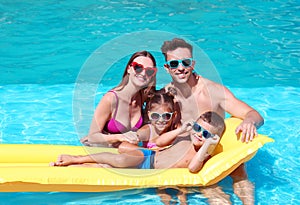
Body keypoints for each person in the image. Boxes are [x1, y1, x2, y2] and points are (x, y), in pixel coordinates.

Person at [160, 38, 263, 204]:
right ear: (166, 68)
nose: (180, 68)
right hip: (190, 160)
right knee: (213, 194)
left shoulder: (214, 92)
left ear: (192, 64)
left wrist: (249, 121)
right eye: (174, 64)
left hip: (214, 156)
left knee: (238, 171)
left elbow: (254, 114)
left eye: (185, 62)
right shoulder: (166, 95)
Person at [51, 111, 225, 204]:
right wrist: (181, 130)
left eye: (206, 134)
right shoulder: (187, 136)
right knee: (120, 159)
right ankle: (76, 158)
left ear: (212, 139)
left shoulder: (203, 152)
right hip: (147, 157)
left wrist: (206, 146)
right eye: (197, 128)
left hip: (148, 168)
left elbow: (193, 168)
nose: (199, 135)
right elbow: (160, 141)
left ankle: (77, 167)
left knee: (111, 167)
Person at [80, 50, 157, 148]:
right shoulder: (111, 99)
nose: (143, 73)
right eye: (138, 67)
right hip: (102, 150)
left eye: (149, 71)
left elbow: (166, 97)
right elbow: (92, 137)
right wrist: (120, 137)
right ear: (129, 69)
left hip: (125, 152)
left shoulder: (144, 97)